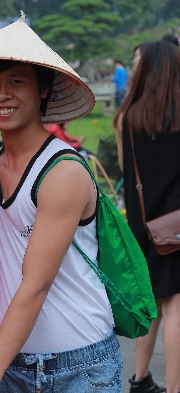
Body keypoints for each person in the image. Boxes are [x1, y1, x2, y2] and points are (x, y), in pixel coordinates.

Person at [0, 15, 120, 392]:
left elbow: (35, 284)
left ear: (43, 89)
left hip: (78, 366)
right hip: (16, 355)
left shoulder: (62, 173)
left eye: (16, 82)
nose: (2, 95)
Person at [113, 41, 180, 393]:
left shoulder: (126, 117)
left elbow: (127, 168)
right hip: (177, 227)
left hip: (142, 223)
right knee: (177, 309)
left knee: (150, 303)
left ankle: (139, 379)